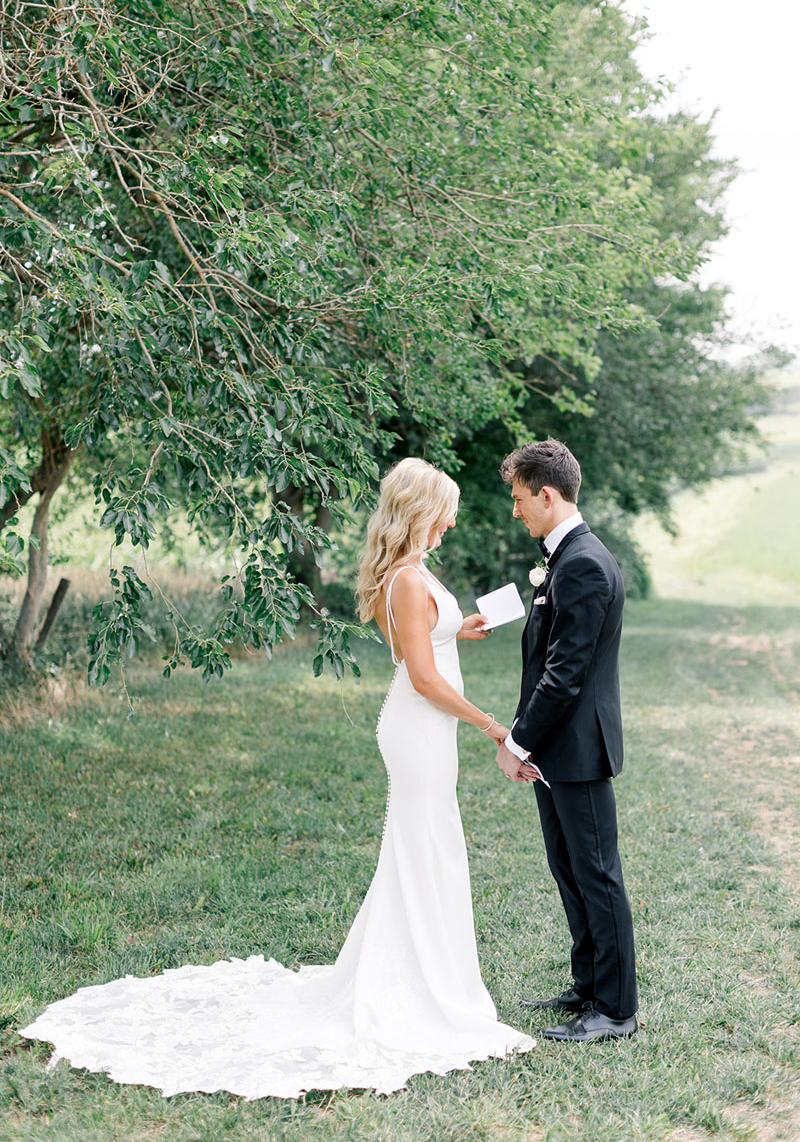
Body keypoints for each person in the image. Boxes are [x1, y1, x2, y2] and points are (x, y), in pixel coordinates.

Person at [20, 457, 534, 1097]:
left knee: (430, 847)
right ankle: (417, 983)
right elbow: (421, 674)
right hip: (418, 727)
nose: (454, 521)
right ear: (422, 511)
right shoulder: (404, 579)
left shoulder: (414, 574)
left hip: (429, 731)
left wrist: (462, 626)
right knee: (424, 846)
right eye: (447, 509)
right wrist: (492, 725)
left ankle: (429, 973)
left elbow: (427, 637)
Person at [495, 439, 638, 1042]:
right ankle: (587, 987)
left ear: (547, 495)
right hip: (558, 748)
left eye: (520, 499)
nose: (516, 510)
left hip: (576, 750)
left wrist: (517, 741)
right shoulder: (564, 557)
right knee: (569, 869)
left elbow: (565, 673)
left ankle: (616, 1009)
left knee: (597, 873)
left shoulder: (581, 562)